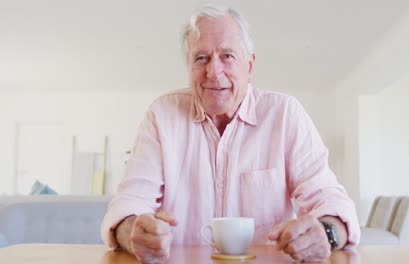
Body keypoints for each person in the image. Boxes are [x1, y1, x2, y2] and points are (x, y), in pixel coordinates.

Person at [101, 5, 360, 263]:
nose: (214, 72)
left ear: (250, 65)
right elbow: (128, 205)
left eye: (227, 56)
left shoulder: (285, 114)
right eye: (201, 58)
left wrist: (326, 234)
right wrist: (133, 232)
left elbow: (331, 200)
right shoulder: (161, 115)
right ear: (189, 66)